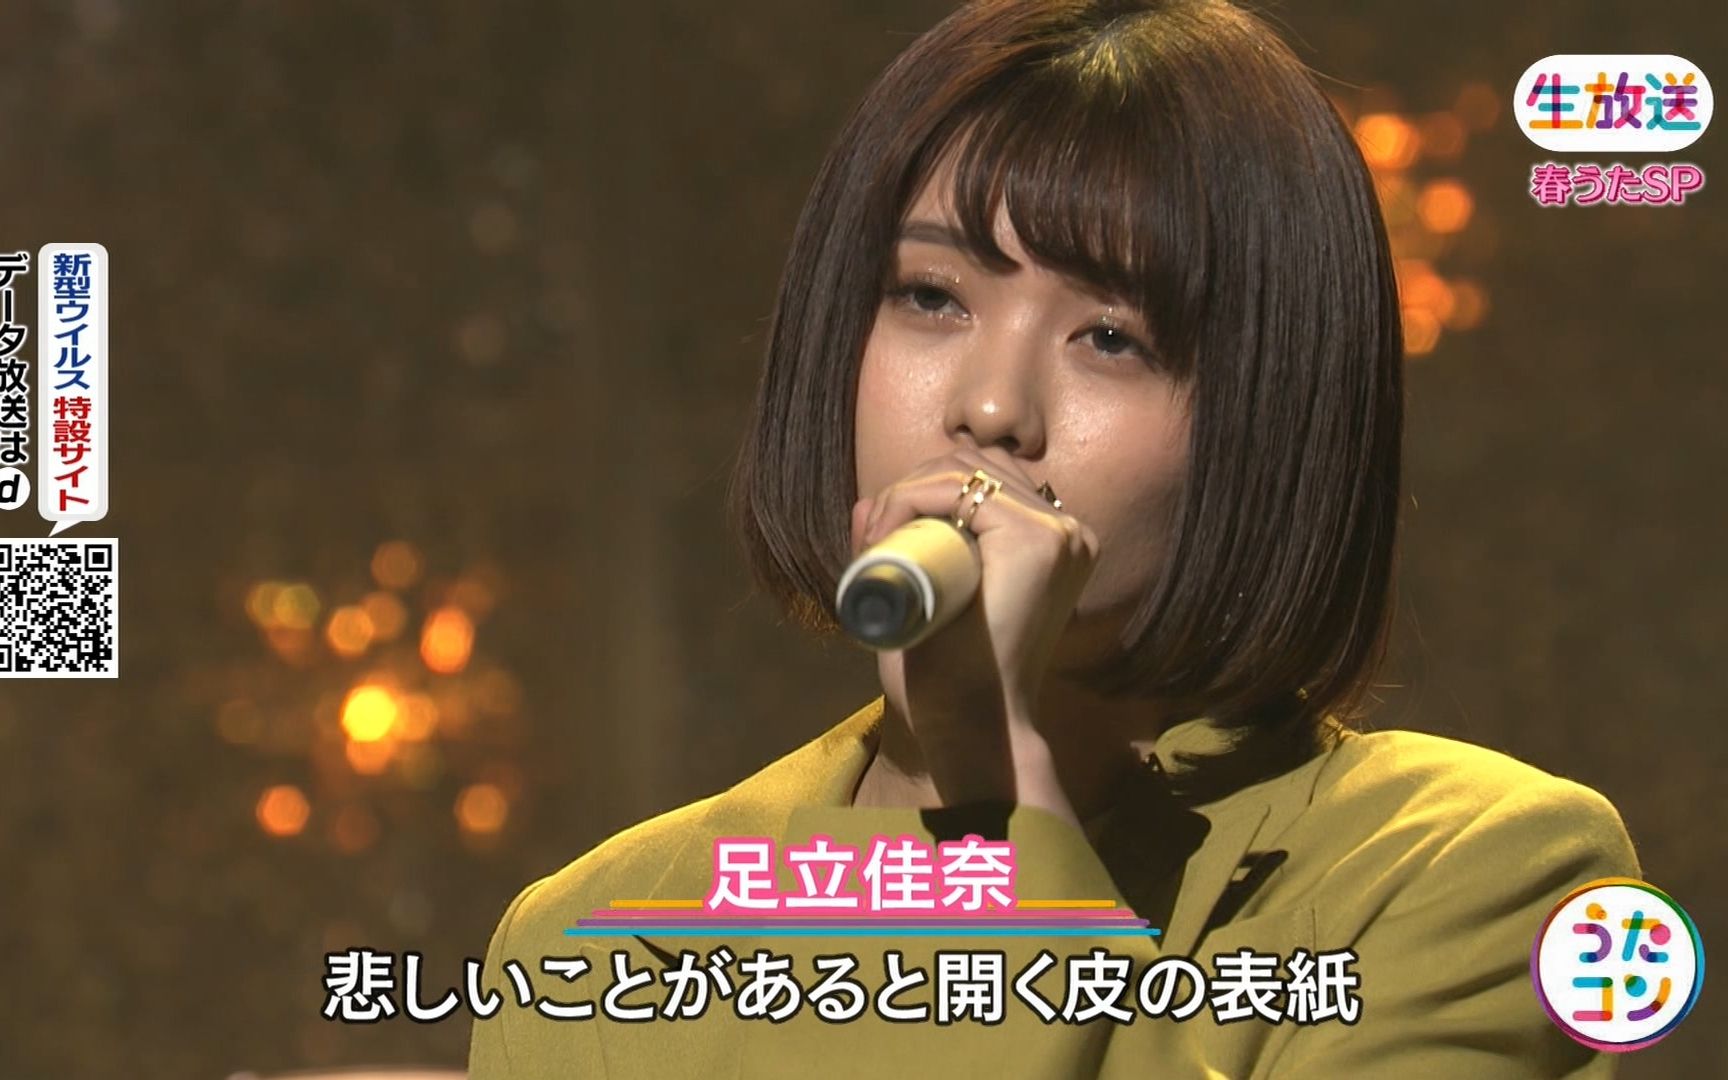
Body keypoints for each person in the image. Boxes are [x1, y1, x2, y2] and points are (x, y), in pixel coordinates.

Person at [469, 1, 1639, 1076]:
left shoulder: (1478, 876)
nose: (990, 407)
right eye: (931, 296)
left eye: (1112, 339)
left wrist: (987, 781)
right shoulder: (602, 939)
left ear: (1270, 417)